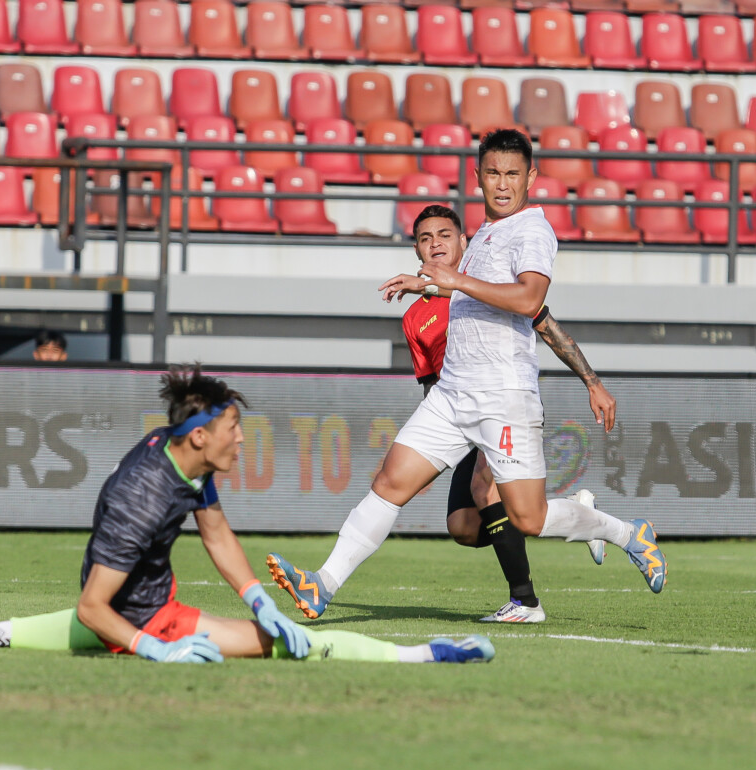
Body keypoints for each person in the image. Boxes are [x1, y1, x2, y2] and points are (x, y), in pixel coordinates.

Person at [266, 129, 666, 622]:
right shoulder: (483, 238)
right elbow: (478, 300)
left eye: (512, 174)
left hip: (504, 398)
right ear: (477, 177)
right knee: (392, 482)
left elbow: (529, 301)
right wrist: (432, 288)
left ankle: (627, 535)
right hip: (453, 395)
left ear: (531, 178)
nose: (502, 184)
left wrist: (590, 379)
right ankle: (321, 584)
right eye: (493, 173)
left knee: (528, 518)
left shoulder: (531, 231)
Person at [0, 365, 494, 665]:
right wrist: (156, 648)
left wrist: (257, 598)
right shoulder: (141, 497)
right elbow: (93, 607)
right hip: (150, 621)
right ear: (200, 436)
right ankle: (427, 654)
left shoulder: (180, 456)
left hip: (150, 605)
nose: (242, 441)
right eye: (233, 431)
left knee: (271, 628)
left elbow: (216, 532)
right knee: (293, 647)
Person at [399, 204, 612, 624]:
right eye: (426, 239)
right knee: (463, 527)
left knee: (485, 491)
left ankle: (525, 601)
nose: (436, 244)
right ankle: (578, 515)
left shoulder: (491, 287)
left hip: (502, 406)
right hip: (455, 419)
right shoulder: (415, 316)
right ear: (417, 252)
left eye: (445, 235)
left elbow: (548, 326)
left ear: (465, 242)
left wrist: (592, 381)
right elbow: (430, 383)